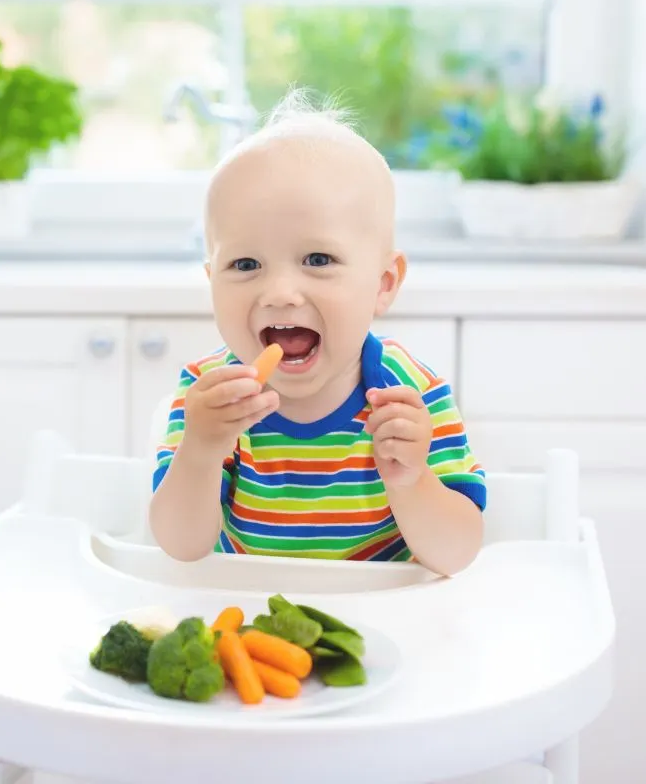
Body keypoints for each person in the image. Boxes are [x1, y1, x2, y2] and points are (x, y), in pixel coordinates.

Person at [148, 91, 486, 577]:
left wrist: (411, 481)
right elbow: (181, 547)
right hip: (248, 624)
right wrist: (199, 451)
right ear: (211, 282)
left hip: (381, 629)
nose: (280, 292)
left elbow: (457, 554)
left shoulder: (409, 393)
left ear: (382, 285)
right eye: (246, 264)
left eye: (317, 260)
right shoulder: (210, 397)